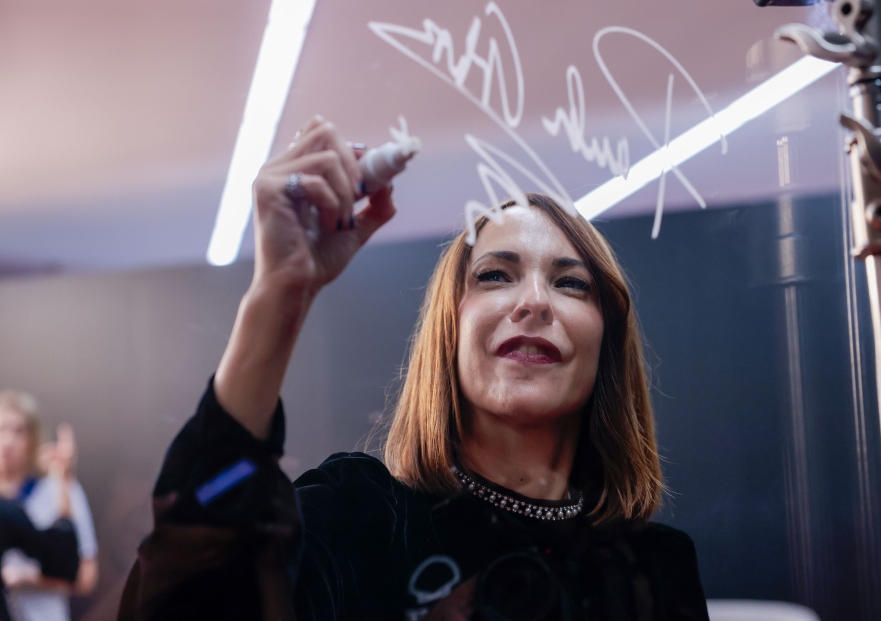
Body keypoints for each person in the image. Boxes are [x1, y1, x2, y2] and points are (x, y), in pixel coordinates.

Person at [118, 116, 710, 620]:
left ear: (607, 338)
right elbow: (182, 599)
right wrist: (277, 297)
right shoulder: (356, 517)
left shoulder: (655, 567)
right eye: (495, 275)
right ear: (448, 331)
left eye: (571, 283)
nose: (534, 302)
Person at [0, 391, 99, 620]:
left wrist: (26, 578)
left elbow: (84, 575)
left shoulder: (57, 487)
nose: (8, 441)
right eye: (1, 429)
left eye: (19, 431)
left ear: (33, 438)